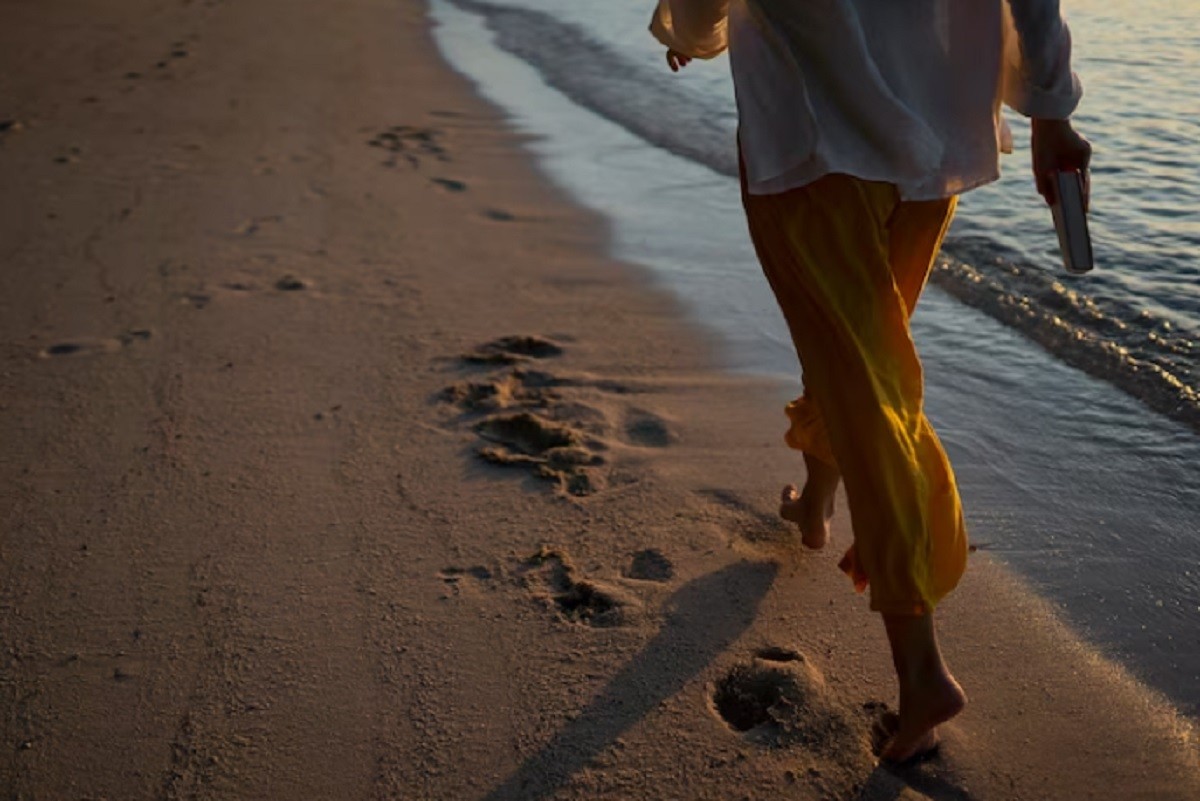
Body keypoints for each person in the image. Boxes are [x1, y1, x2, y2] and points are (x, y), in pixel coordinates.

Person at [650, 0, 1091, 764]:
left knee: (867, 382)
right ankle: (817, 505)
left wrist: (693, 30)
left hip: (812, 115)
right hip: (937, 117)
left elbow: (700, 16)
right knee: (858, 357)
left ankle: (922, 670)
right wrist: (1050, 108)